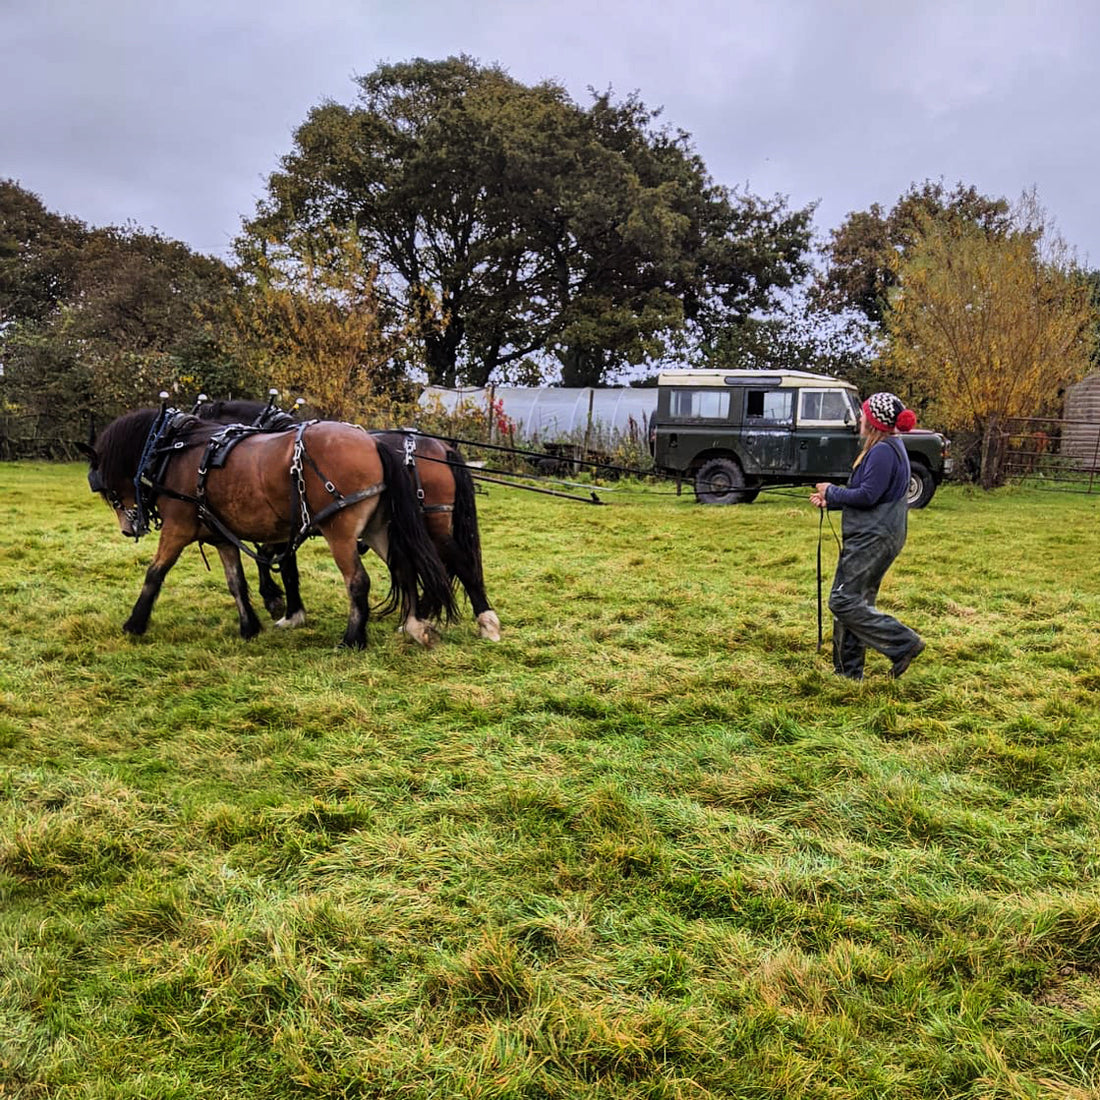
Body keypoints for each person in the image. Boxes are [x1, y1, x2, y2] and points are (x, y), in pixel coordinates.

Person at [810, 392, 925, 680]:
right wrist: (831, 500)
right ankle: (848, 674)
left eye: (864, 414)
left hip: (873, 538)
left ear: (873, 422)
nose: (860, 418)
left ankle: (903, 643)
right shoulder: (889, 447)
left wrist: (832, 491)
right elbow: (874, 493)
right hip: (879, 534)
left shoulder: (884, 450)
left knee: (843, 601)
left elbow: (868, 495)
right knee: (855, 601)